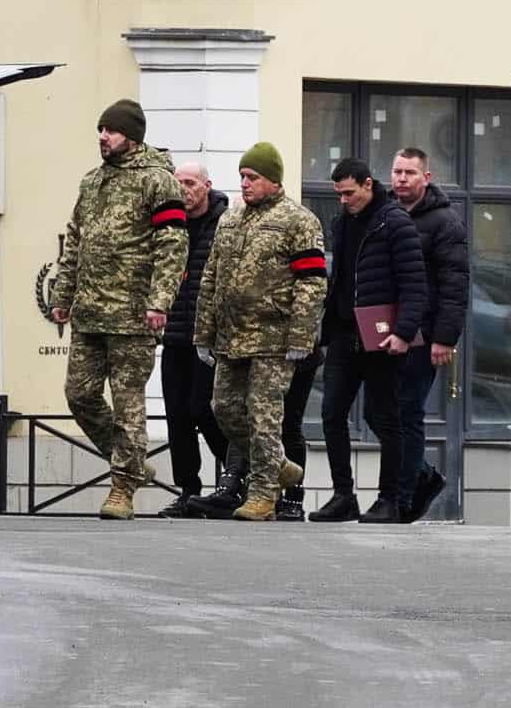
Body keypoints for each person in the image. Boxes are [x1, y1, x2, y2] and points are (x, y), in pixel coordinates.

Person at [49, 99, 186, 520]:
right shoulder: (92, 181)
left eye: (110, 130)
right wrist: (63, 295)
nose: (103, 137)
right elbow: (75, 240)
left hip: (132, 315)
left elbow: (172, 246)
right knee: (79, 395)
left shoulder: (158, 181)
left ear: (132, 135)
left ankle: (123, 487)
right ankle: (132, 460)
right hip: (90, 312)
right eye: (101, 130)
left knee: (128, 405)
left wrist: (159, 301)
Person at [193, 142, 326, 521]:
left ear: (273, 180)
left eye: (252, 177)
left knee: (263, 417)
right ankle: (279, 465)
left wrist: (301, 335)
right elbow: (210, 277)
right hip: (231, 337)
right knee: (223, 409)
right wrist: (203, 333)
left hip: (274, 339)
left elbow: (312, 282)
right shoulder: (230, 220)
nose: (245, 183)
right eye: (242, 176)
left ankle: (263, 495)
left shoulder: (298, 220)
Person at [317, 157, 428, 521]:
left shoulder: (395, 222)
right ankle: (343, 495)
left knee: (385, 417)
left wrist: (403, 332)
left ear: (368, 184)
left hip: (381, 337)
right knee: (332, 413)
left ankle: (389, 499)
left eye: (349, 193)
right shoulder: (342, 222)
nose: (344, 200)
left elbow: (414, 284)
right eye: (339, 194)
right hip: (344, 332)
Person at [389, 147, 468, 521]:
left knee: (407, 411)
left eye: (410, 173)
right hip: (386, 330)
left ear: (426, 178)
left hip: (424, 334)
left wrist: (445, 338)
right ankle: (421, 474)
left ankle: (404, 496)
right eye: (397, 172)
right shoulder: (386, 213)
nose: (402, 179)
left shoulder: (444, 221)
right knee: (380, 413)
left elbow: (455, 283)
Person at [157, 163, 230, 518]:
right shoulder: (170, 224)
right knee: (177, 416)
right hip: (174, 335)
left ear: (207, 186)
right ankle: (188, 490)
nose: (183, 189)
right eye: (178, 183)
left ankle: (235, 479)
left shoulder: (225, 224)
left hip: (208, 338)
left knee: (204, 409)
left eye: (190, 183)